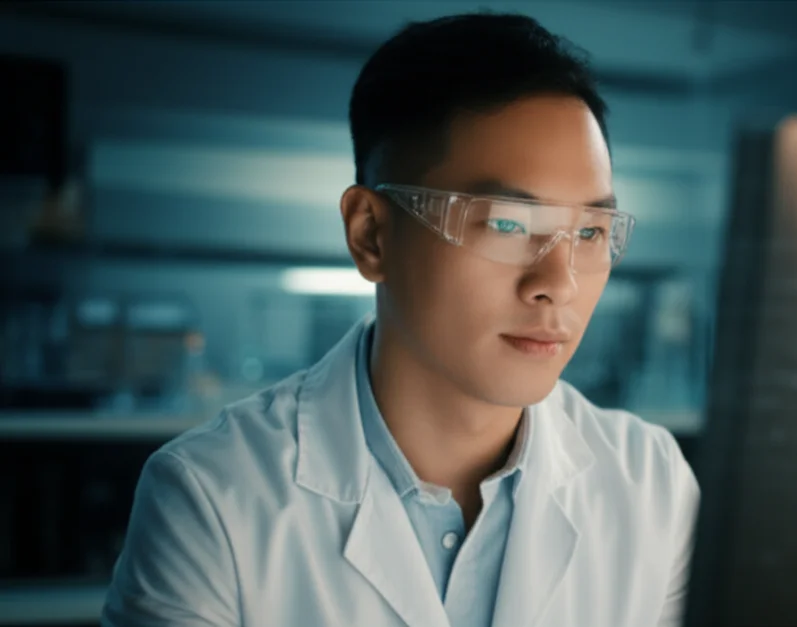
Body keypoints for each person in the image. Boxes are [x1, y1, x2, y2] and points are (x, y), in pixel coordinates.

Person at [102, 12, 700, 627]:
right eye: (505, 223)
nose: (558, 284)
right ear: (372, 235)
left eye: (591, 232)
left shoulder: (651, 485)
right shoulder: (211, 499)